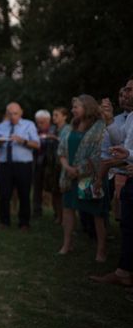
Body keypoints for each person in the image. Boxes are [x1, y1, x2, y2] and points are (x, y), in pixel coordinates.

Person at [91, 76, 133, 287]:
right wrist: (108, 120)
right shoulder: (130, 117)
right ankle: (123, 271)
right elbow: (121, 144)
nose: (126, 93)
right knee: (127, 225)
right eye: (125, 90)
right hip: (128, 177)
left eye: (129, 89)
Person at [57, 95, 108, 261]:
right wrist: (67, 168)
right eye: (72, 107)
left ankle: (101, 251)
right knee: (68, 209)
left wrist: (79, 170)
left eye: (76, 107)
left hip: (90, 177)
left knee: (97, 214)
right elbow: (62, 150)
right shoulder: (72, 125)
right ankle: (67, 244)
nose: (73, 110)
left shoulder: (98, 127)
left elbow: (98, 155)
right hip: (69, 175)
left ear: (87, 107)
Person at [0, 102, 40, 230]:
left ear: (21, 112)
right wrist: (0, 143)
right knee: (4, 195)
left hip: (23, 165)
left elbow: (37, 144)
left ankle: (24, 223)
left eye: (15, 113)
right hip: (5, 164)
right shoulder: (1, 126)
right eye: (10, 113)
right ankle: (4, 222)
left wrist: (22, 141)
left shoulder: (29, 125)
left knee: (24, 194)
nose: (12, 116)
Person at [32, 109, 57, 218]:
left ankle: (57, 213)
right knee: (37, 187)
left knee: (54, 189)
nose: (39, 125)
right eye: (38, 122)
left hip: (51, 164)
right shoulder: (33, 130)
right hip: (37, 163)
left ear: (48, 121)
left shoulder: (55, 130)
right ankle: (37, 211)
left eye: (42, 122)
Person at [51, 107, 71, 223]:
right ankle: (58, 215)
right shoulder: (53, 128)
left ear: (64, 116)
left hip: (63, 164)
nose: (54, 118)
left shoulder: (67, 128)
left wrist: (54, 138)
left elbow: (66, 144)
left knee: (62, 191)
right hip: (53, 163)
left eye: (56, 115)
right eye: (53, 115)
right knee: (55, 191)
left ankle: (64, 217)